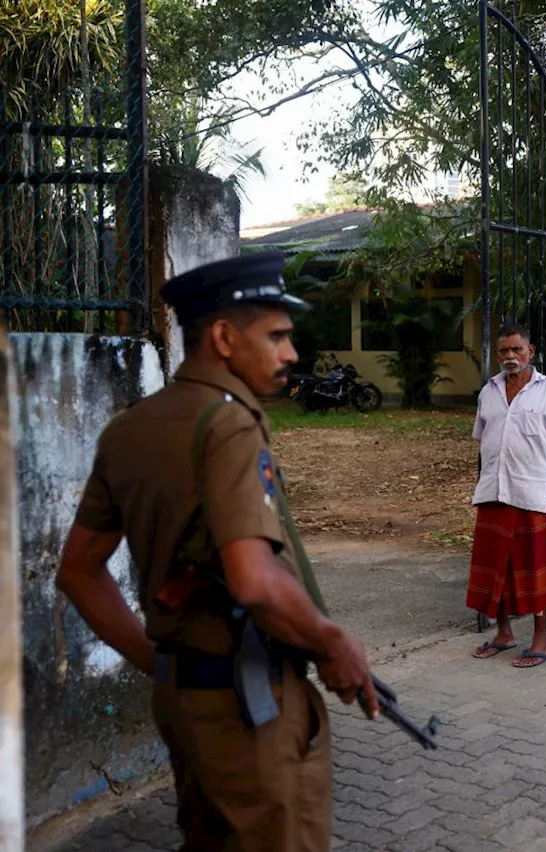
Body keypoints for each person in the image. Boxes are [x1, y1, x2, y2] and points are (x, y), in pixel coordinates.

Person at [56, 252, 376, 851]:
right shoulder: (228, 425)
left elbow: (77, 572)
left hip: (185, 701)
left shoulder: (130, 427)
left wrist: (161, 661)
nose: (292, 354)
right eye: (277, 336)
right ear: (226, 338)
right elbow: (254, 581)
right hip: (249, 706)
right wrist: (335, 644)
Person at [469, 322, 546, 667]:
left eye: (517, 350)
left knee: (535, 570)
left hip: (530, 493)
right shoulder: (488, 392)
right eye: (503, 351)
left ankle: (540, 641)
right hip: (492, 491)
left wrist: (530, 466)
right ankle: (504, 633)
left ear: (531, 352)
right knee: (496, 567)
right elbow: (483, 438)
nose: (510, 357)